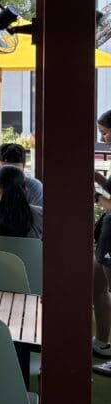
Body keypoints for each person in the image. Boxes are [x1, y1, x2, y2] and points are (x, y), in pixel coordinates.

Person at [93, 110, 111, 371]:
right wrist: (98, 179)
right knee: (98, 287)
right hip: (107, 236)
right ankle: (102, 342)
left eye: (105, 133)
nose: (103, 138)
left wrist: (96, 198)